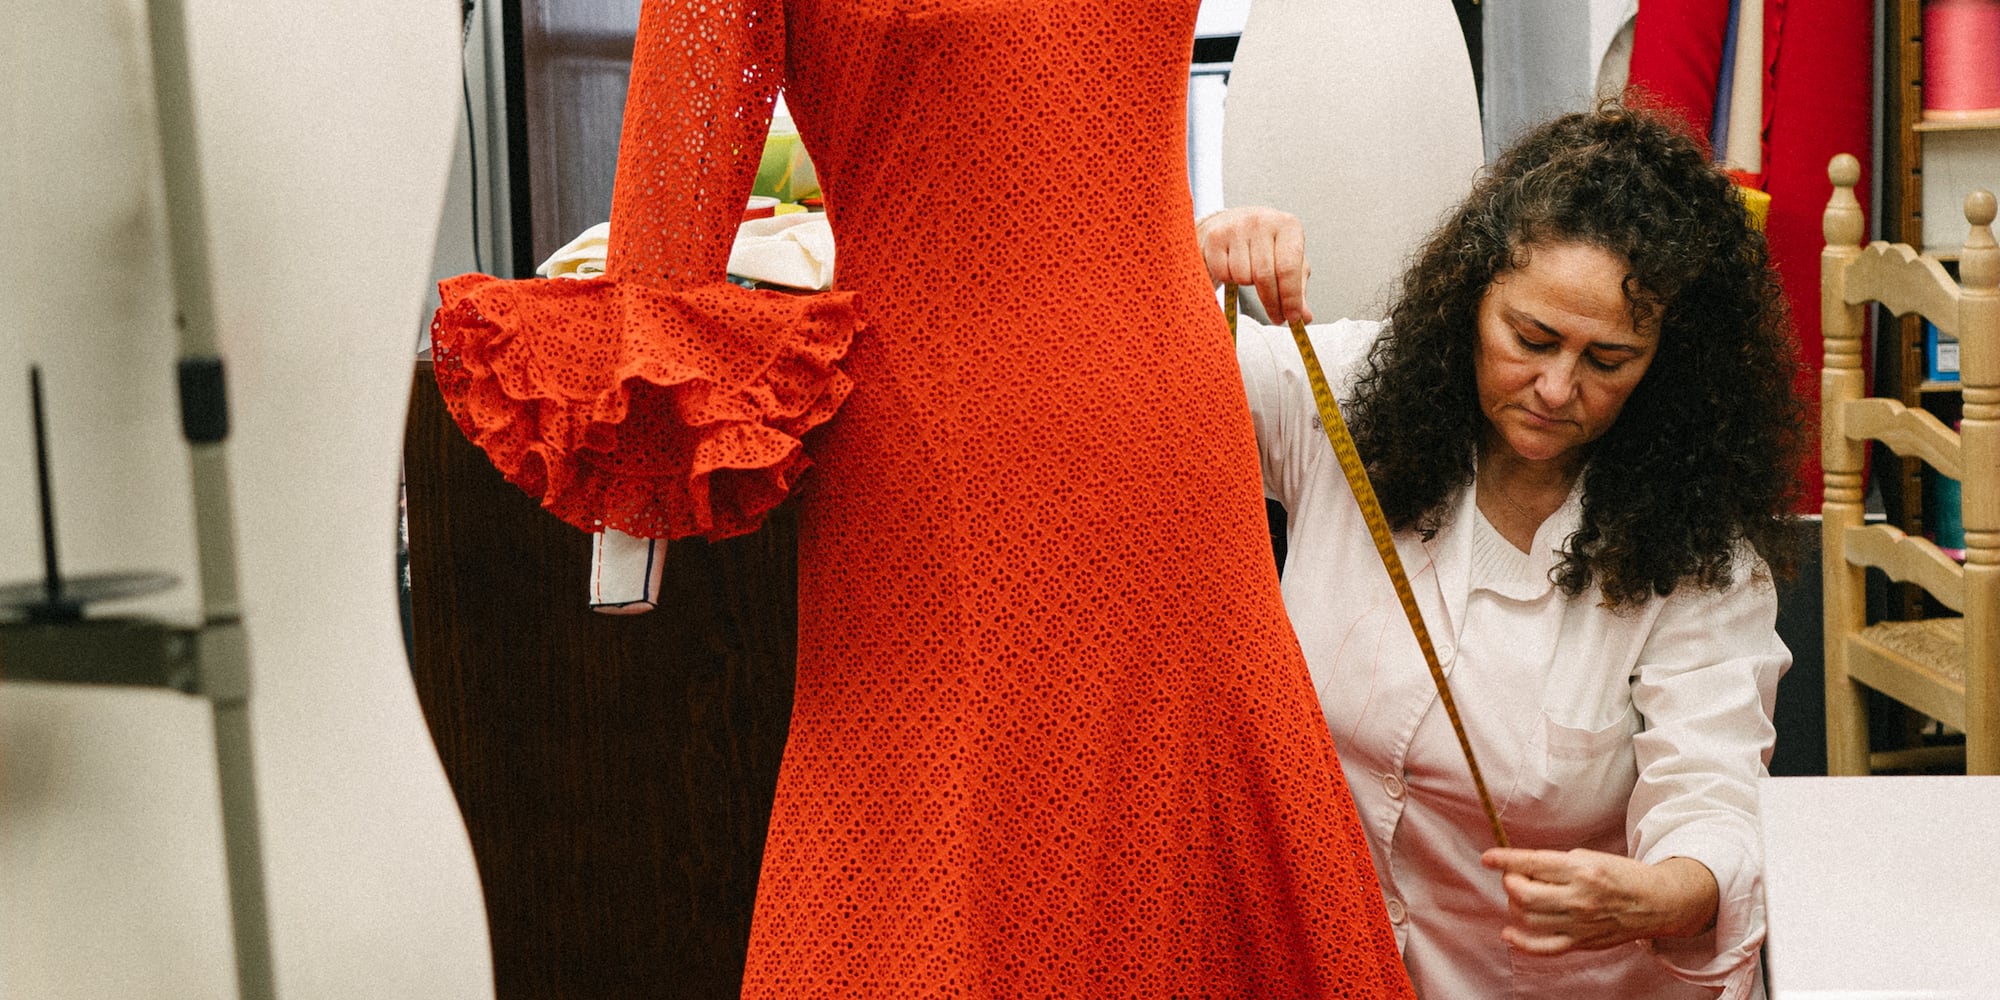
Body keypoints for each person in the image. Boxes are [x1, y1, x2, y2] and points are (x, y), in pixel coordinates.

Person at [427, 2, 1414, 997]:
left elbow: (667, 251)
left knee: (1183, 789)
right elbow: (665, 256)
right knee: (935, 823)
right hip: (941, 454)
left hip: (1163, 430)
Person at [1200, 102, 1800, 998]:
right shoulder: (1342, 400)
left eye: (1610, 360)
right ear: (1470, 294)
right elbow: (1115, 371)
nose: (1556, 388)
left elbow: (1711, 797)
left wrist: (1659, 894)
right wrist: (1189, 257)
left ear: (1668, 364)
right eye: (1530, 339)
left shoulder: (1699, 560)